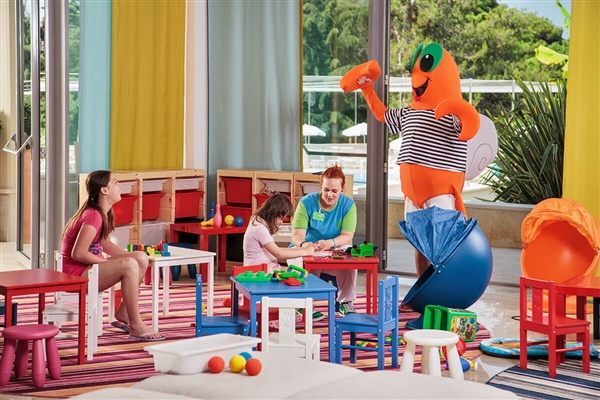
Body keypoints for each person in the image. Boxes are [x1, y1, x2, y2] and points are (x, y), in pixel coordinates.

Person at [341, 43, 481, 277]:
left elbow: (468, 126)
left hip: (440, 191)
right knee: (420, 241)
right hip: (413, 195)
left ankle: (448, 283)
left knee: (443, 238)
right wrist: (367, 89)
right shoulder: (408, 113)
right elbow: (382, 114)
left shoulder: (450, 114)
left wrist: (457, 110)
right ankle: (423, 285)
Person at [60, 170, 165, 341]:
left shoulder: (102, 213)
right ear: (104, 190)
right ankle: (136, 326)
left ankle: (124, 311)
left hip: (87, 269)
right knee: (130, 264)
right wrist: (120, 262)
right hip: (75, 275)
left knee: (140, 258)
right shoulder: (93, 215)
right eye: (115, 182)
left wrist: (130, 256)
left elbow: (104, 243)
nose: (119, 185)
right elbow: (78, 253)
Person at [291, 164, 357, 319]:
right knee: (308, 257)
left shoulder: (348, 205)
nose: (329, 195)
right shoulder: (307, 202)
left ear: (342, 189)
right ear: (320, 186)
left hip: (332, 249)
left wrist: (329, 243)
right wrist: (305, 245)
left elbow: (347, 236)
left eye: (335, 191)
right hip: (306, 249)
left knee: (349, 256)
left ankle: (345, 302)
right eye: (326, 189)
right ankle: (304, 303)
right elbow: (297, 236)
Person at [244, 192, 315, 272]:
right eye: (281, 219)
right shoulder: (259, 228)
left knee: (301, 273)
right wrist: (306, 251)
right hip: (260, 272)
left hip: (268, 268)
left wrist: (303, 248)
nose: (281, 222)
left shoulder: (260, 223)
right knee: (301, 274)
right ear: (273, 212)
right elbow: (279, 254)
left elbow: (278, 250)